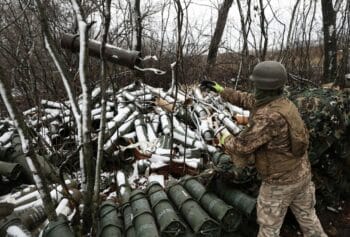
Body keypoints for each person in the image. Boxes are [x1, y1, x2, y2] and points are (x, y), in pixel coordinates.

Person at [201, 61, 327, 237]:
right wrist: (222, 91)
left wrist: (224, 137)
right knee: (309, 220)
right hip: (301, 174)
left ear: (263, 86)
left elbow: (242, 147)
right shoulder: (282, 103)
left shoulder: (268, 117)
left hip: (279, 183)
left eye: (256, 84)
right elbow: (249, 100)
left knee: (268, 229)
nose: (254, 88)